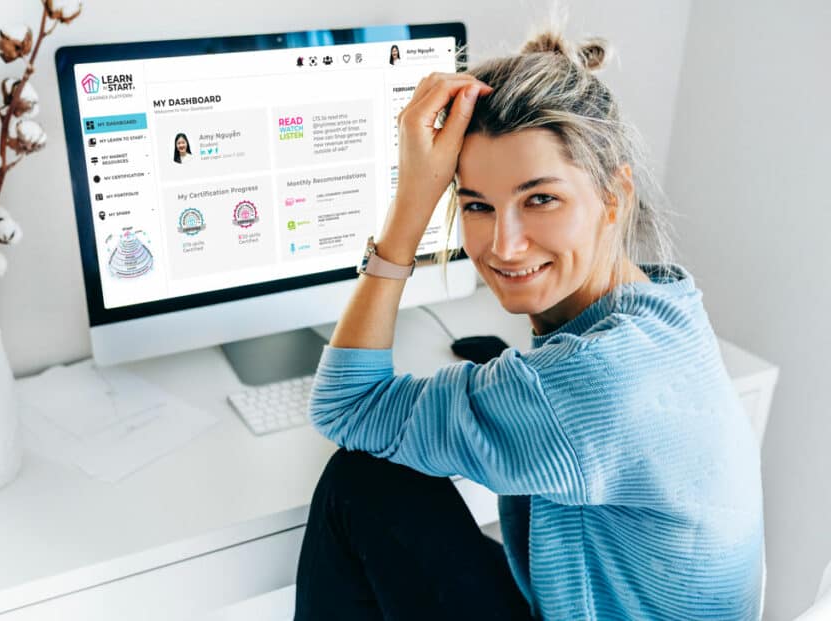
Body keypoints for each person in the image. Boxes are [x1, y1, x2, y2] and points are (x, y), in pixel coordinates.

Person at [294, 28, 764, 621]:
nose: (505, 246)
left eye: (540, 199)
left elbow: (346, 406)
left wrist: (412, 201)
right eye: (476, 205)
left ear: (614, 195)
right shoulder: (665, 301)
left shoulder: (586, 385)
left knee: (358, 484)